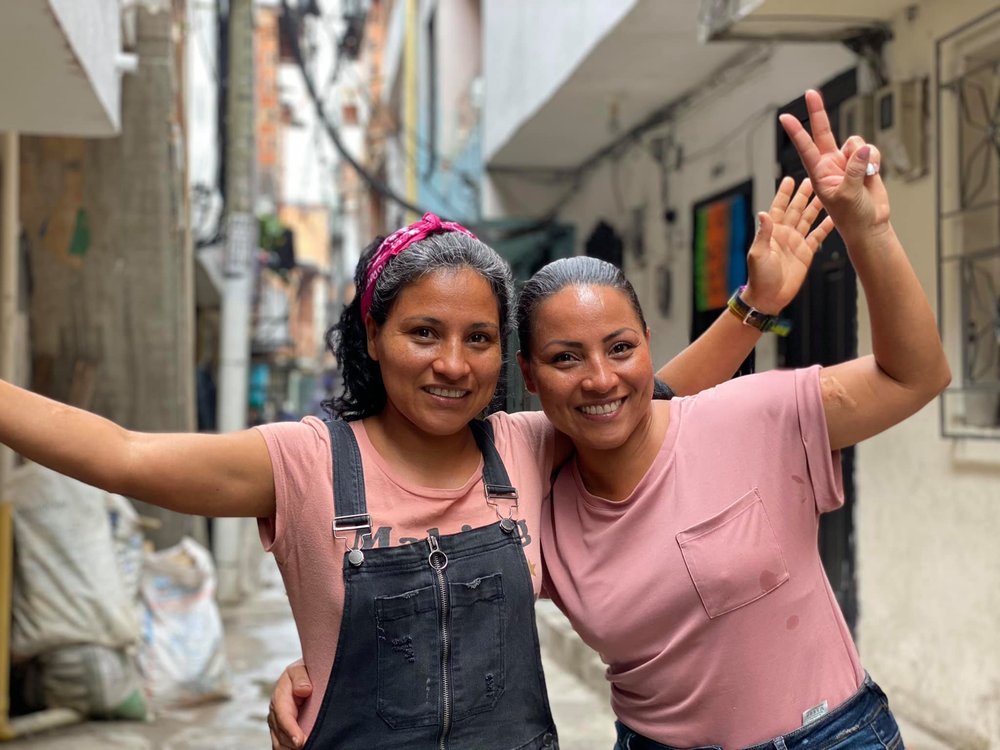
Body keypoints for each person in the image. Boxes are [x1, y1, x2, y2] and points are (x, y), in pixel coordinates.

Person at [0, 177, 825, 747]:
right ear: (372, 336)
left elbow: (650, 395)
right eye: (423, 333)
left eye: (479, 339)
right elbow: (120, 452)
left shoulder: (525, 447)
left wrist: (754, 309)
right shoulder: (304, 462)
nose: (454, 365)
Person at [269, 90, 950, 750]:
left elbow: (914, 376)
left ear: (647, 344)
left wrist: (870, 231)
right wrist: (320, 674)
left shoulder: (751, 414)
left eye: (621, 348)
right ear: (529, 379)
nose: (599, 379)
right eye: (565, 358)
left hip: (828, 737)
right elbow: (439, 606)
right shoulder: (537, 503)